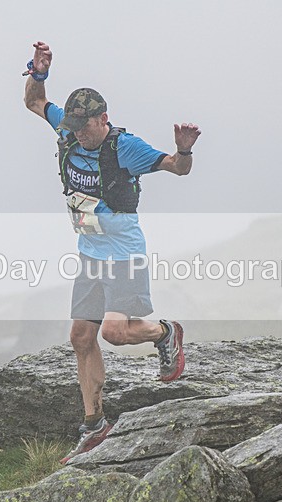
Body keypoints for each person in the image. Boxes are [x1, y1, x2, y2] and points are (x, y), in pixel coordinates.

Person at [23, 41, 201, 463]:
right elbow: (34, 102)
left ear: (104, 119)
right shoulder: (67, 128)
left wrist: (185, 149)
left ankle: (165, 333)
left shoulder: (126, 148)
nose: (78, 134)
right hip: (90, 252)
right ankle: (95, 425)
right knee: (80, 336)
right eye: (74, 127)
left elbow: (177, 168)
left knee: (115, 333)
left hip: (123, 252)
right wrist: (39, 72)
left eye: (85, 127)